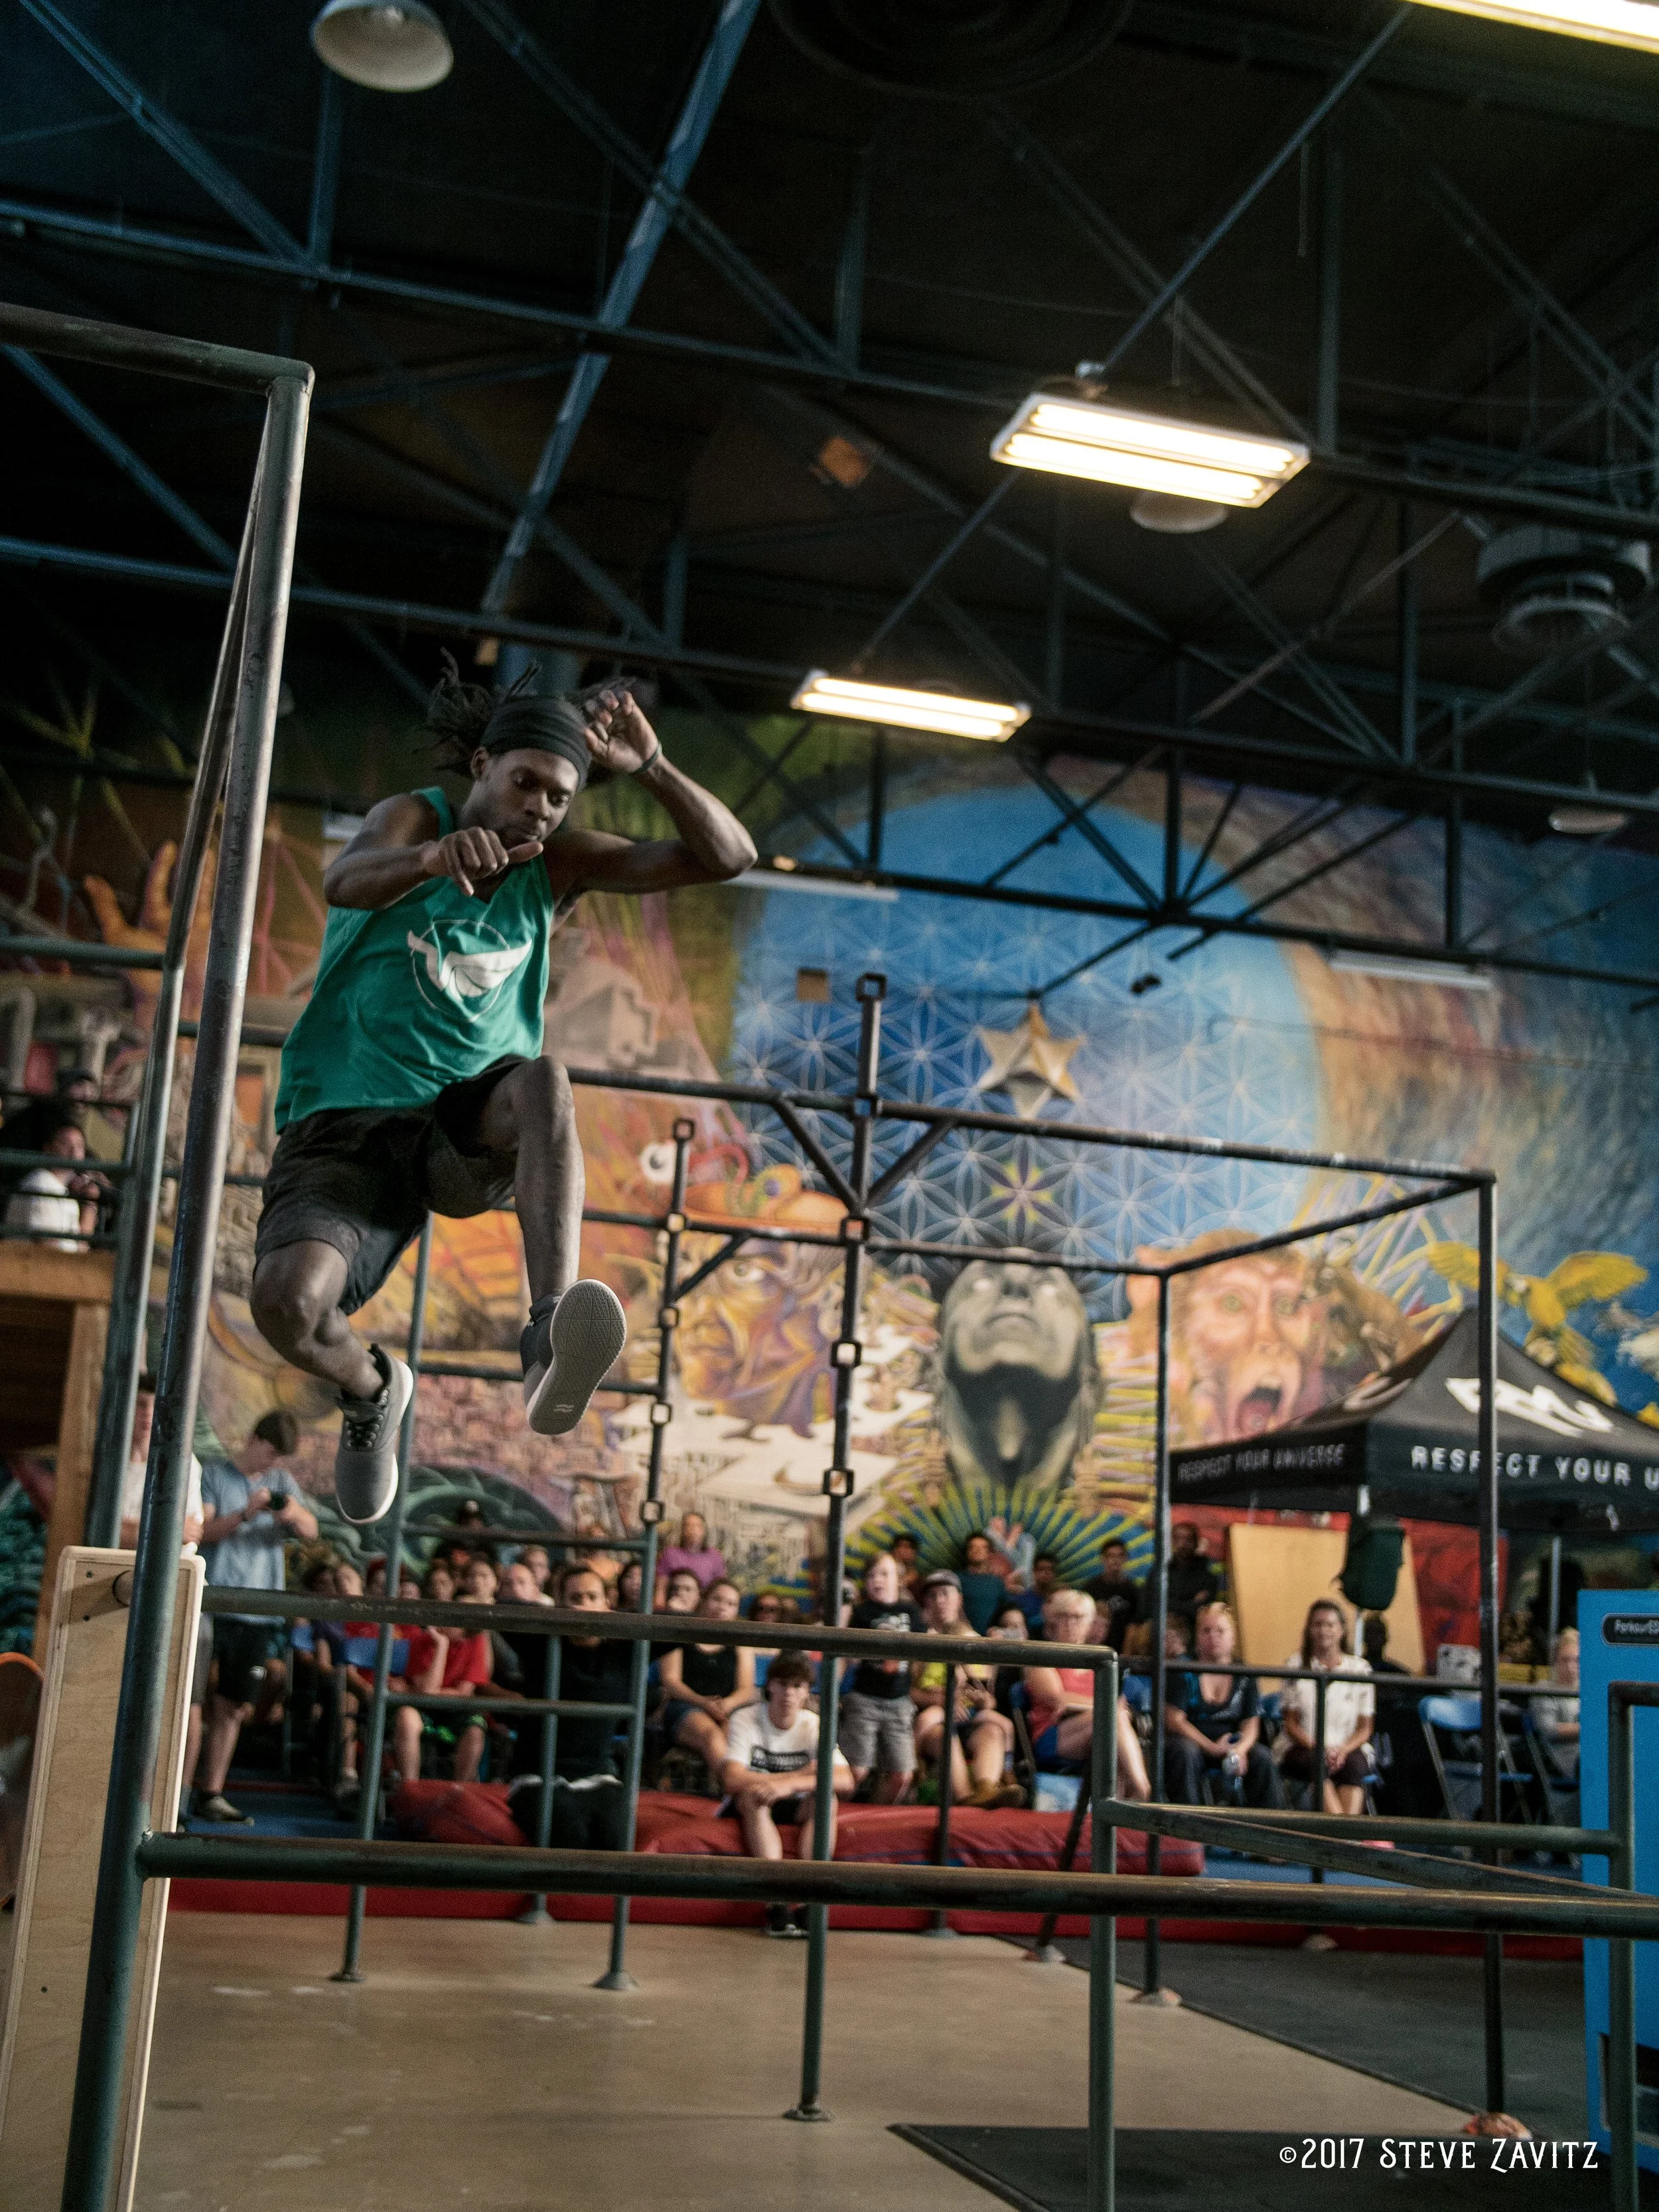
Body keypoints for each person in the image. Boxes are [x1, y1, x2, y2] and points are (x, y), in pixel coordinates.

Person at [250, 662, 755, 1527]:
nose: (539, 808)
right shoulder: (416, 816)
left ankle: (549, 1326)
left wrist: (656, 767)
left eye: (558, 796)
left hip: (461, 1124)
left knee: (545, 1079)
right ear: (481, 765)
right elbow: (345, 881)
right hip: (345, 1121)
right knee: (289, 1307)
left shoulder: (557, 868)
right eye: (524, 783)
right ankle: (372, 1389)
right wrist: (430, 858)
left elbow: (728, 858)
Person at [185, 1410, 317, 1823]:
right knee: (189, 1703)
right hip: (211, 1601)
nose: (275, 1464)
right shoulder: (214, 1475)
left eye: (282, 1458)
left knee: (235, 1705)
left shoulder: (281, 1483)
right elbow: (201, 1532)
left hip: (258, 1611)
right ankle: (178, 1793)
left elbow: (312, 1531)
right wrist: (245, 1513)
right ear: (255, 1440)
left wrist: (292, 1514)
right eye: (273, 1453)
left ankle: (211, 1792)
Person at [719, 1651, 853, 1936]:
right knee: (753, 1796)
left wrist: (788, 1785)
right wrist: (800, 1775)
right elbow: (731, 1778)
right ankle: (776, 1902)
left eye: (797, 1686)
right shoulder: (746, 1718)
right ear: (769, 1686)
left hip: (794, 1802)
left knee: (827, 1800)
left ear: (807, 1692)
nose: (788, 1693)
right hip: (756, 1801)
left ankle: (809, 1900)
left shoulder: (813, 1724)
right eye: (782, 1684)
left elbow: (845, 1779)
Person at [506, 1563, 634, 1848]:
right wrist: (555, 1618)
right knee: (568, 1829)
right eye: (575, 1600)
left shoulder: (625, 1648)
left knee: (618, 1838)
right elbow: (503, 1606)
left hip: (599, 1774)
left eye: (592, 1598)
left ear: (607, 1603)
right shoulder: (541, 1643)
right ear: (559, 1605)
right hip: (537, 1776)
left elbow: (684, 1619)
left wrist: (618, 1620)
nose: (585, 1607)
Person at [1022, 1587, 1151, 1801]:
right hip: (1053, 1736)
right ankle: (1141, 1789)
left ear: (1090, 1623)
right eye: (1064, 1616)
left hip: (1096, 1731)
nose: (1071, 1622)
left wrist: (1098, 1707)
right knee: (1114, 1717)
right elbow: (1058, 1699)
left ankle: (1118, 1810)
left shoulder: (1097, 1662)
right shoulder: (1042, 1657)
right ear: (1053, 1620)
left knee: (1113, 1728)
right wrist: (1107, 1706)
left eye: (1078, 1617)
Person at [910, 1570, 1023, 1810]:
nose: (940, 1601)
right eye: (933, 1596)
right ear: (926, 1603)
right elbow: (908, 1692)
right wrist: (939, 1700)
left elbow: (989, 1699)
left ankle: (986, 1790)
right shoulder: (918, 1642)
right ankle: (965, 1799)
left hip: (971, 1719)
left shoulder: (978, 1642)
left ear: (958, 1598)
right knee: (944, 1737)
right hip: (935, 1722)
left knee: (993, 1731)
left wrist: (984, 1702)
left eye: (945, 1594)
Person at [1165, 1602, 1281, 1808]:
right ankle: (1188, 1831)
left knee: (1262, 1757)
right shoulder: (1183, 1669)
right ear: (1197, 1636)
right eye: (1206, 1631)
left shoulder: (1244, 1673)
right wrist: (1211, 1748)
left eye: (1220, 1631)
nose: (1213, 1637)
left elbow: (1251, 1723)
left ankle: (1268, 1831)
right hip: (1193, 1742)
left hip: (1231, 1745)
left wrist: (1240, 1750)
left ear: (1233, 1637)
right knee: (1184, 1753)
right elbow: (1175, 1720)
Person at [392, 1559, 493, 1784]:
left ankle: (460, 1791)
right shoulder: (421, 1640)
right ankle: (411, 1787)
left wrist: (427, 1692)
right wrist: (442, 1646)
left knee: (476, 1727)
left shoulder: (474, 1642)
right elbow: (427, 1692)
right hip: (422, 1710)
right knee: (406, 1717)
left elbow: (465, 1692)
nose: (464, 1630)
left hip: (456, 1711)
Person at [657, 1578, 758, 1789]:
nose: (723, 1608)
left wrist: (727, 1705)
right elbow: (671, 1681)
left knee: (733, 1736)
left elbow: (746, 1688)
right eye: (717, 1600)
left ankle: (719, 1791)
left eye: (731, 1604)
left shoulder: (742, 1643)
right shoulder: (682, 1634)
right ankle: (739, 1790)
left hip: (727, 1709)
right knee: (711, 1736)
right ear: (703, 1600)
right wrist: (703, 1702)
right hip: (685, 1706)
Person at [839, 1552, 925, 1803]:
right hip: (865, 1698)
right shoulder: (863, 1612)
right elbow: (850, 1655)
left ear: (898, 1579)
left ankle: (874, 1815)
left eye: (884, 1574)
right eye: (871, 1575)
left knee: (903, 1775)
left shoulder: (910, 1611)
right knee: (857, 1770)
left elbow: (923, 1647)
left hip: (899, 1701)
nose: (878, 1579)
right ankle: (834, 1815)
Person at [1278, 1598, 1375, 1814]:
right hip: (1305, 1746)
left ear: (1341, 1630)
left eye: (1330, 1625)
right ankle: (1341, 1836)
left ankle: (1344, 1836)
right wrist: (1319, 1747)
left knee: (1356, 1766)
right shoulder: (1294, 1666)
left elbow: (1365, 1728)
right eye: (1317, 1625)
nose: (1324, 1631)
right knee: (1317, 1763)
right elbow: (1291, 1725)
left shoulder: (1360, 1669)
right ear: (1309, 1630)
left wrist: (1343, 1750)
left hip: (1346, 1746)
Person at [5, 1108, 100, 1250]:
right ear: (48, 1148)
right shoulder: (41, 1183)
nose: (74, 1152)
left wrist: (90, 1205)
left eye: (80, 1146)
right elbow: (51, 1249)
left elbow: (80, 1249)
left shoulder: (65, 1193)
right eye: (65, 1144)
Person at [1534, 1627, 1581, 1785]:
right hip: (1559, 1759)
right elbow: (1549, 1730)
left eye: (1576, 1660)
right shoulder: (1544, 1689)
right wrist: (1589, 1730)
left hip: (1589, 1753)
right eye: (1565, 1660)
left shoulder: (1590, 1691)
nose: (1571, 1666)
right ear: (1555, 1661)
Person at [1083, 1538, 1143, 1651]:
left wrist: (1128, 1653)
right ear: (1103, 1559)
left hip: (1121, 1650)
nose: (1115, 1560)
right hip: (1093, 1649)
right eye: (1111, 1556)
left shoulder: (1134, 1591)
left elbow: (1135, 1625)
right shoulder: (1091, 1588)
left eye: (1120, 1556)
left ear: (1125, 1559)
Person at [653, 1510, 725, 1603]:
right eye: (688, 1526)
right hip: (674, 1606)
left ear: (704, 1530)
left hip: (703, 1610)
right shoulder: (671, 1553)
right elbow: (661, 1589)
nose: (693, 1530)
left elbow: (720, 1590)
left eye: (698, 1526)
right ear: (682, 1530)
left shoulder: (714, 1556)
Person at [1167, 1521, 1220, 1623]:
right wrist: (1193, 1602)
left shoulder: (1208, 1577)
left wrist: (1172, 1605)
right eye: (1178, 1539)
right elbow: (1154, 1605)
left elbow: (1202, 1611)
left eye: (1188, 1539)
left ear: (1196, 1542)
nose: (1183, 1544)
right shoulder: (1161, 1573)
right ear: (1172, 1541)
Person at [958, 1530, 1008, 1635]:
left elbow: (1007, 1609)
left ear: (989, 1553)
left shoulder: (997, 1583)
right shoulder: (956, 1579)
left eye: (983, 1547)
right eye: (973, 1547)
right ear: (967, 1551)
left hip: (992, 1641)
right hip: (962, 1637)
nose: (978, 1550)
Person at [1015, 1552, 1060, 1631]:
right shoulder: (1022, 1600)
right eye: (1042, 1569)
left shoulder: (1059, 1600)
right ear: (1034, 1572)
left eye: (1051, 1570)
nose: (1047, 1573)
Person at [890, 1531, 923, 1598]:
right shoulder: (887, 1571)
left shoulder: (918, 1577)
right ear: (894, 1550)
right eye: (900, 1546)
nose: (903, 1550)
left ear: (915, 1552)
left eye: (908, 1547)